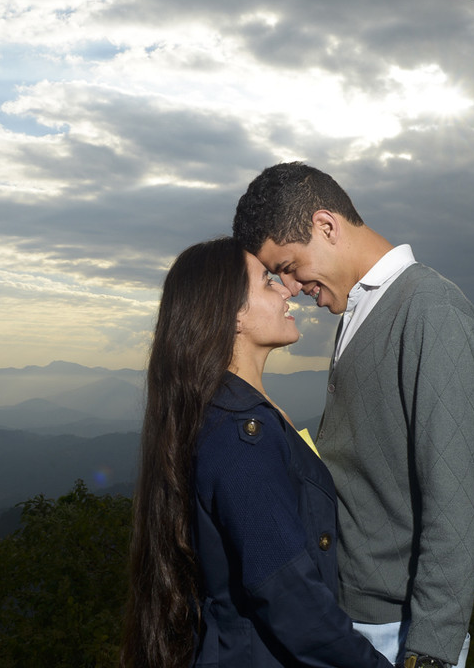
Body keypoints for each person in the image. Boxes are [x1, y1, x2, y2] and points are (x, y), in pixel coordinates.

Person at [233, 163, 474, 668]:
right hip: (354, 620)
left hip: (401, 634)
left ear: (326, 226)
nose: (288, 286)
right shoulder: (360, 308)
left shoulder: (431, 311)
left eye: (288, 265)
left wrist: (431, 651)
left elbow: (457, 504)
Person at [121, 237, 393, 668]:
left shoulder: (227, 414)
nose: (287, 290)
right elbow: (290, 597)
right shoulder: (241, 434)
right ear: (231, 317)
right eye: (268, 283)